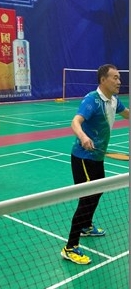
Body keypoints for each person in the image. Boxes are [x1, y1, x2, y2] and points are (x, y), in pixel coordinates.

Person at [60, 64, 129, 265]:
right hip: (83, 157)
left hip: (97, 157)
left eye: (119, 77)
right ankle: (70, 247)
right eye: (115, 78)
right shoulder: (92, 100)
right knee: (87, 198)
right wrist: (83, 137)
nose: (119, 81)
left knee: (97, 191)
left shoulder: (114, 100)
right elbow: (75, 122)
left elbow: (127, 114)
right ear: (103, 80)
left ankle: (86, 226)